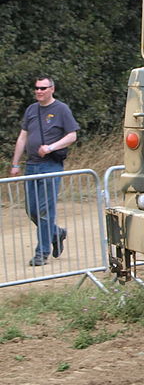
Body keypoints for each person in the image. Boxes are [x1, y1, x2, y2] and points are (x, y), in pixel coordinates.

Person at [9, 76, 79, 266]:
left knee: (44, 211)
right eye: (37, 88)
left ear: (52, 89)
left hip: (50, 165)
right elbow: (22, 138)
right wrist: (15, 164)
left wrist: (51, 147)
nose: (39, 91)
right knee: (31, 210)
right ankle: (56, 233)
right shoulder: (31, 110)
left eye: (43, 88)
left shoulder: (61, 109)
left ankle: (42, 253)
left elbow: (72, 135)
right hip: (31, 166)